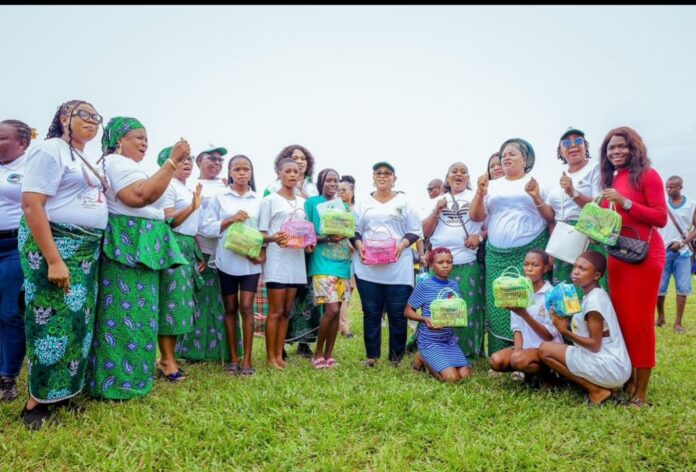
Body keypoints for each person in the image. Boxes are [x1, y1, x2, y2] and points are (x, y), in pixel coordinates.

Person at [19, 100, 108, 429]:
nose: (92, 121)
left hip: (85, 250)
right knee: (49, 321)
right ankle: (35, 404)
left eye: (97, 117)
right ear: (64, 117)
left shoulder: (83, 158)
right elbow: (31, 205)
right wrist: (54, 260)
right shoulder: (50, 150)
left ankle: (63, 394)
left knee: (76, 324)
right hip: (56, 246)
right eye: (84, 114)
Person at [88, 117, 190, 400]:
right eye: (137, 137)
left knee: (141, 315)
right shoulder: (116, 163)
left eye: (146, 138)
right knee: (125, 314)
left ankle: (132, 376)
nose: (144, 143)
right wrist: (171, 161)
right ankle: (118, 382)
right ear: (119, 140)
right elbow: (139, 196)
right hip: (128, 243)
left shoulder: (128, 166)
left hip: (142, 243)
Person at [598, 126, 667, 409]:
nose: (616, 152)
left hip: (645, 256)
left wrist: (624, 202)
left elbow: (660, 217)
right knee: (622, 320)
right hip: (619, 255)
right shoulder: (613, 178)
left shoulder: (647, 175)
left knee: (639, 323)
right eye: (611, 148)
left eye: (621, 146)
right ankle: (627, 379)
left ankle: (640, 393)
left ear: (634, 147)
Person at [470, 138, 550, 356]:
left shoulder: (538, 182)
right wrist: (479, 192)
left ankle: (529, 353)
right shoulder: (492, 186)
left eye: (512, 153)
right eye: (503, 154)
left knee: (528, 302)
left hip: (530, 250)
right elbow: (476, 216)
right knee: (499, 302)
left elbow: (550, 217)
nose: (506, 157)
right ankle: (500, 355)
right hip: (496, 254)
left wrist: (536, 196)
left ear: (525, 159)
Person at [353, 161, 423, 367]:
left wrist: (403, 243)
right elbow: (354, 229)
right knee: (371, 312)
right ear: (373, 177)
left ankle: (395, 358)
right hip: (368, 268)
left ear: (394, 178)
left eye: (387, 173)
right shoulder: (363, 202)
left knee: (397, 313)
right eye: (378, 173)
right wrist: (358, 244)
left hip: (397, 268)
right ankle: (372, 356)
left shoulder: (405, 202)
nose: (383, 176)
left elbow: (415, 229)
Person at [539, 251, 631, 405]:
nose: (575, 271)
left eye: (582, 269)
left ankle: (596, 390)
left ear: (596, 275)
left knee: (544, 350)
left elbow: (594, 345)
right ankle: (601, 385)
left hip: (609, 366)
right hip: (615, 365)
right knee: (551, 349)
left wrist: (564, 332)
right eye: (575, 267)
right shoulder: (595, 294)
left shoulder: (593, 303)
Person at [200, 154, 264, 376]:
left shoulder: (259, 200)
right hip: (226, 260)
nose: (242, 173)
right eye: (237, 169)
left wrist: (260, 253)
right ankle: (233, 359)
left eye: (246, 169)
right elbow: (206, 228)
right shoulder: (220, 198)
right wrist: (230, 219)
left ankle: (247, 359)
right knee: (230, 308)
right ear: (230, 173)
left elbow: (263, 231)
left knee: (246, 307)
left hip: (251, 262)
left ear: (251, 172)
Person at [178, 145, 241, 364]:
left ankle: (223, 351)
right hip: (202, 250)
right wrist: (196, 251)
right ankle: (192, 352)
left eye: (220, 160)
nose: (216, 163)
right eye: (210, 158)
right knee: (199, 300)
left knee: (225, 302)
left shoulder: (227, 186)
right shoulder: (192, 186)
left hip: (227, 250)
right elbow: (192, 220)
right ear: (199, 162)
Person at [421, 162, 485, 358]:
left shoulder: (478, 197)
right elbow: (425, 231)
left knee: (467, 308)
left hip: (467, 261)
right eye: (454, 171)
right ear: (447, 178)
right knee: (437, 308)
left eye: (463, 172)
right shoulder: (439, 199)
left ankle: (467, 351)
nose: (459, 174)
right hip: (439, 263)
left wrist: (479, 237)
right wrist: (436, 211)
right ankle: (435, 348)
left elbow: (487, 223)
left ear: (468, 177)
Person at [258, 158, 313, 369]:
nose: (292, 175)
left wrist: (308, 243)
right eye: (287, 171)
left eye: (296, 172)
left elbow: (304, 229)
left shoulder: (302, 202)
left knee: (287, 310)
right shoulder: (270, 200)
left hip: (296, 260)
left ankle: (280, 355)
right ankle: (271, 357)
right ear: (279, 173)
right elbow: (262, 234)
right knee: (275, 311)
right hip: (277, 261)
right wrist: (274, 239)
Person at [158, 146, 202, 380]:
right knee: (170, 303)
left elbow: (191, 226)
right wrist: (192, 206)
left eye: (190, 160)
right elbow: (169, 220)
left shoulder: (185, 187)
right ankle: (166, 360)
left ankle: (169, 357)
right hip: (173, 246)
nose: (187, 163)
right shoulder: (168, 185)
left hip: (186, 247)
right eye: (182, 159)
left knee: (180, 305)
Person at [545, 127, 608, 292]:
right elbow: (552, 216)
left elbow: (599, 207)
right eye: (566, 142)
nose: (572, 145)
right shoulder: (557, 175)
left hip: (587, 235)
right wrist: (552, 247)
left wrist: (573, 192)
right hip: (561, 236)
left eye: (578, 140)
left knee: (587, 287)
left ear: (585, 146)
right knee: (564, 291)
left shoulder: (595, 169)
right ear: (560, 151)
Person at [489, 250, 561, 381]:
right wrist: (518, 350)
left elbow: (548, 335)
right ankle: (527, 369)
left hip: (547, 349)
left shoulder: (551, 294)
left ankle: (549, 373)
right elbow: (517, 329)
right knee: (496, 360)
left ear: (545, 269)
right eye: (526, 264)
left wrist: (524, 314)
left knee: (518, 360)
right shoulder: (518, 291)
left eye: (535, 265)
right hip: (526, 348)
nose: (529, 269)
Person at [0, 120, 34, 402]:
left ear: (21, 143)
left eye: (1, 138)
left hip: (14, 245)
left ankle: (7, 376)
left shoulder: (30, 167)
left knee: (10, 312)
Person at [306, 169, 352, 368]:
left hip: (342, 263)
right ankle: (317, 354)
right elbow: (307, 233)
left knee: (337, 309)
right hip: (322, 262)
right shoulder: (312, 203)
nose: (333, 184)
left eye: (336, 181)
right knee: (331, 309)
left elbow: (350, 231)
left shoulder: (345, 207)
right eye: (329, 180)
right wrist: (326, 238)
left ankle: (329, 355)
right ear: (321, 182)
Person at [405, 247, 471, 383]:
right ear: (432, 265)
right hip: (430, 342)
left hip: (449, 341)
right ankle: (421, 356)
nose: (446, 266)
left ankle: (435, 361)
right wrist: (424, 319)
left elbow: (456, 311)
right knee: (452, 379)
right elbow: (407, 311)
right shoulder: (425, 285)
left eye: (449, 262)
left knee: (465, 376)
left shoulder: (454, 286)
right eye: (440, 262)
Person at [656, 175, 696, 333]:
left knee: (683, 287)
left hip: (682, 253)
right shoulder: (662, 204)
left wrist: (683, 242)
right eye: (667, 187)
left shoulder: (691, 205)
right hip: (662, 251)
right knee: (660, 287)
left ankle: (678, 323)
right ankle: (661, 317)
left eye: (672, 187)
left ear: (680, 187)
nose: (669, 189)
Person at [337, 175, 356, 339]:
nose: (341, 193)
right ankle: (344, 328)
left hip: (356, 259)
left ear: (352, 191)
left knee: (348, 294)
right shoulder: (335, 210)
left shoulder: (356, 210)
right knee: (343, 294)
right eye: (339, 190)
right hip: (340, 258)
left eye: (344, 190)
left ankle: (341, 325)